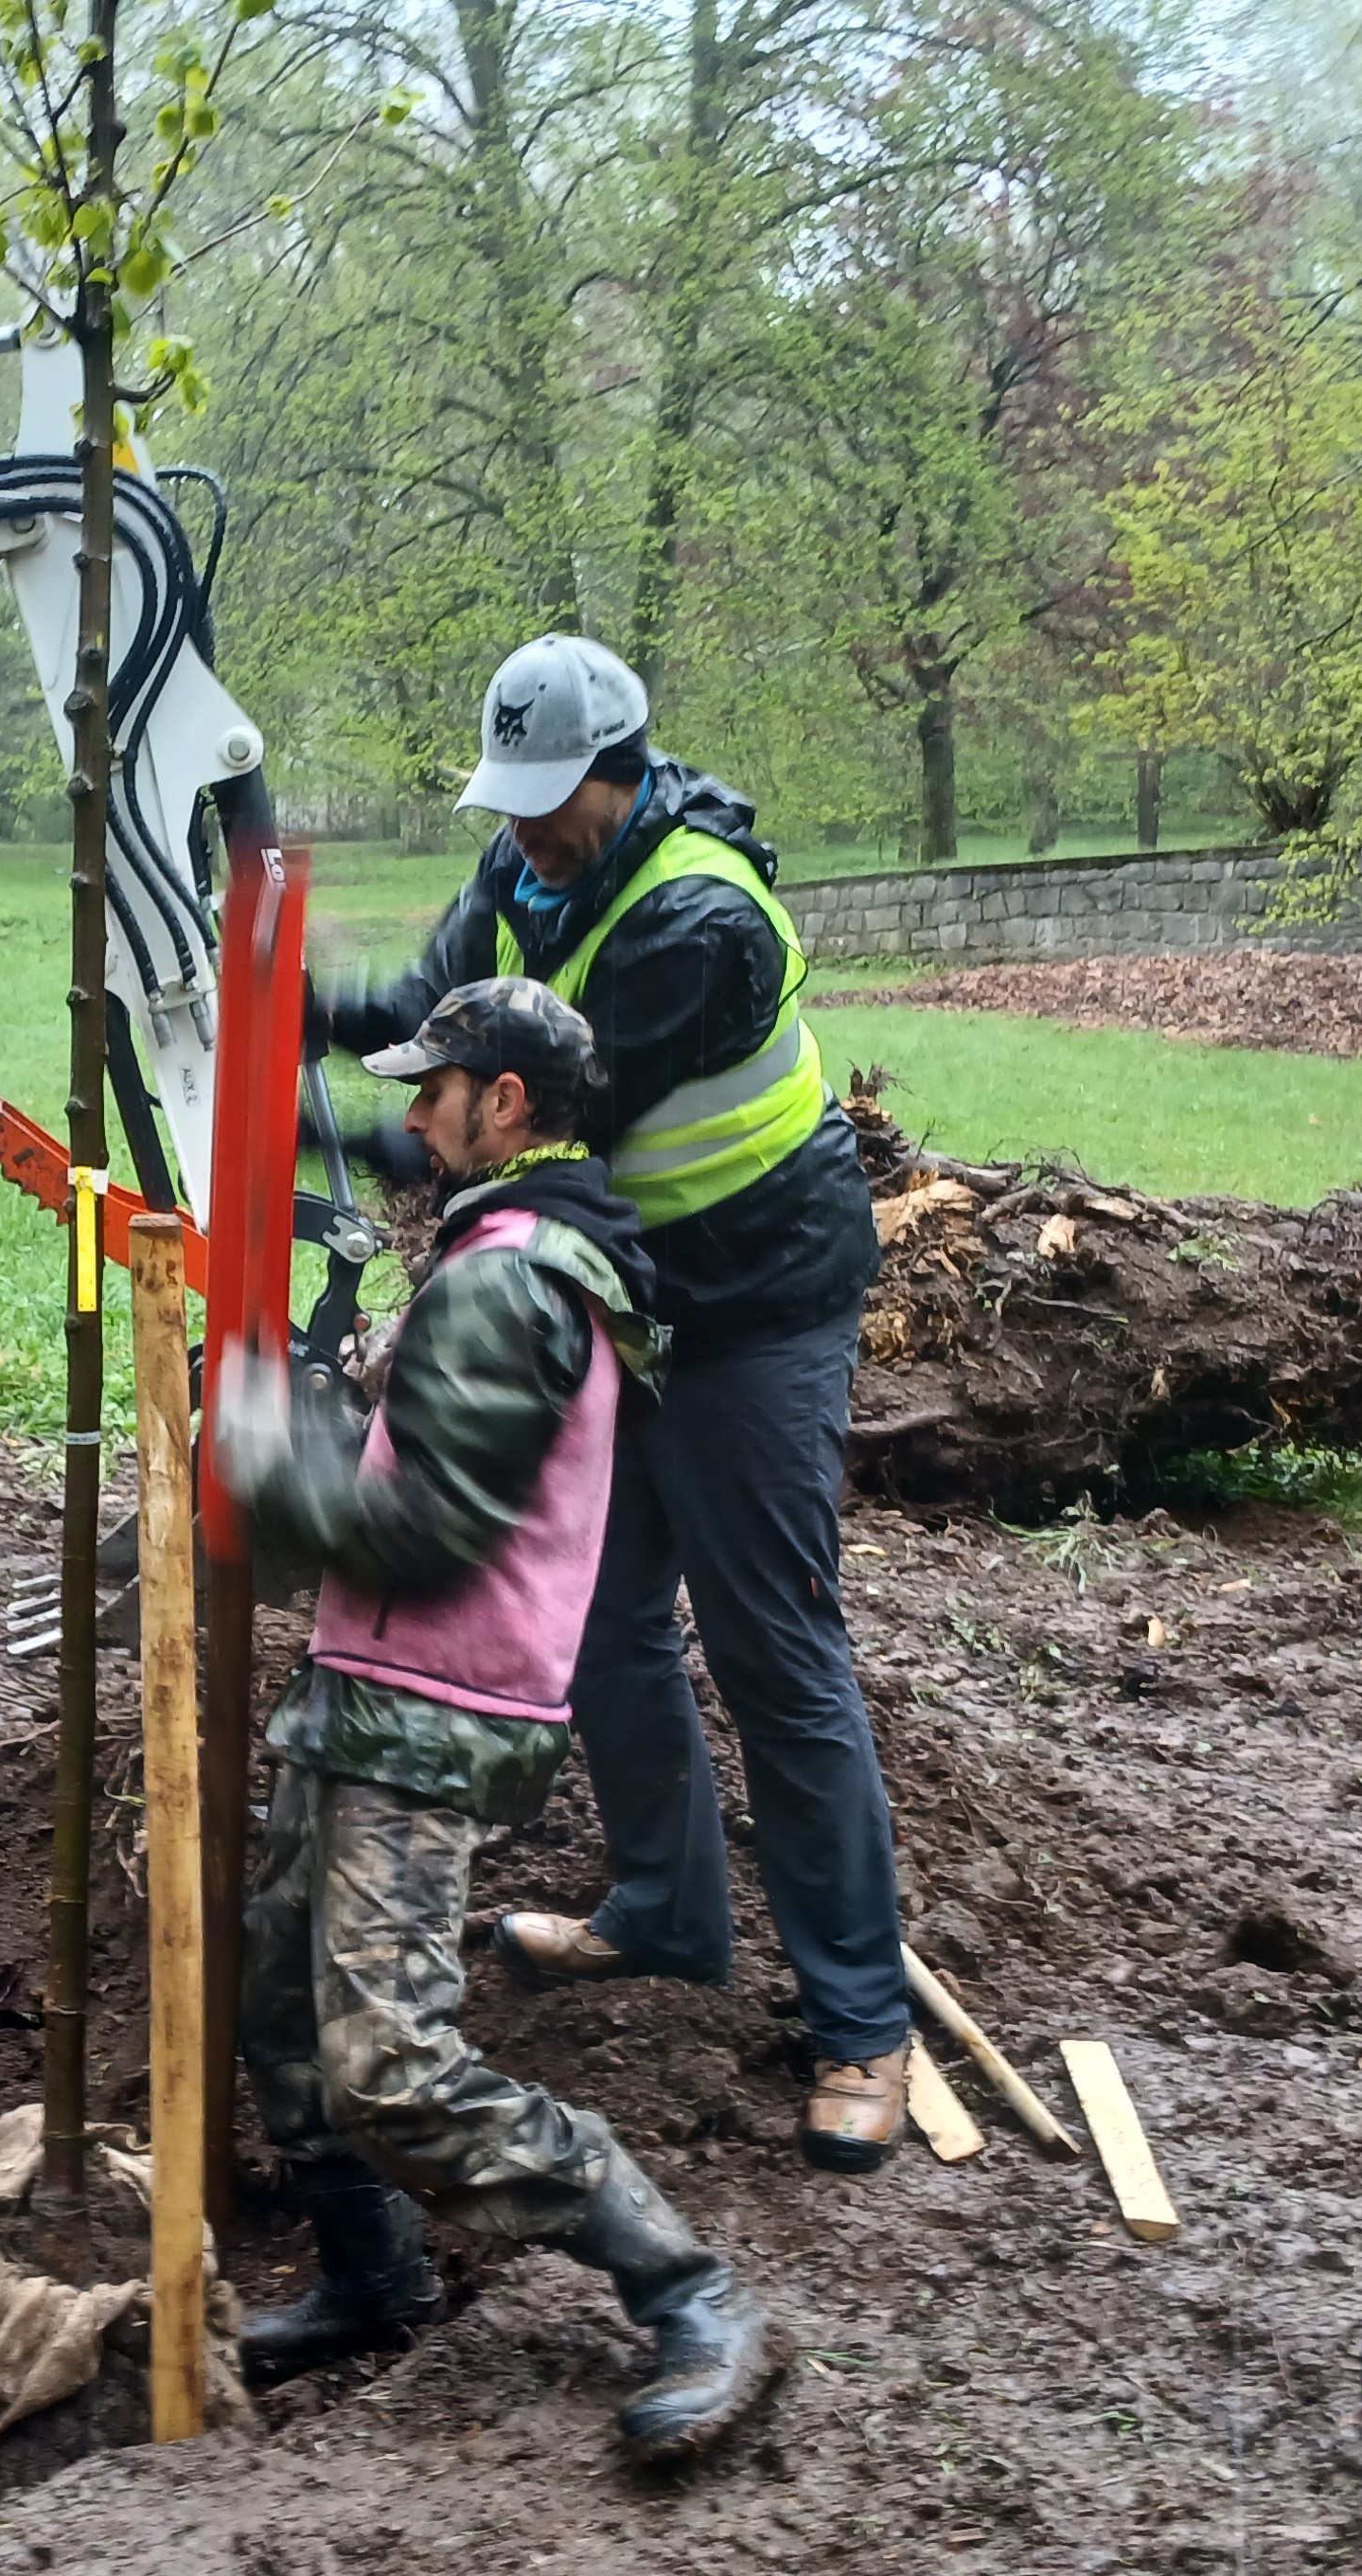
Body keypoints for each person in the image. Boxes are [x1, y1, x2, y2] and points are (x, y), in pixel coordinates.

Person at [316, 634, 914, 2175]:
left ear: (620, 770)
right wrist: (297, 1012)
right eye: (507, 801)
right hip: (628, 1293)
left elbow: (540, 1125)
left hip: (756, 1300)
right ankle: (664, 1910)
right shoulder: (528, 867)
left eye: (548, 799)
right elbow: (436, 1005)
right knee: (605, 1621)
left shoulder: (698, 919)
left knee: (773, 1644)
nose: (522, 828)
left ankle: (863, 2025)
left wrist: (342, 1144)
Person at [211, 977, 774, 2464]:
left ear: (507, 1103)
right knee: (281, 2011)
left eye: (433, 1091)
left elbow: (436, 1527)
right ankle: (373, 2279)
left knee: (389, 2066)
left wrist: (263, 1463)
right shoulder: (495, 1247)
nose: (411, 1118)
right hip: (368, 1684)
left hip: (433, 1712)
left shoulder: (514, 1278)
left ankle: (691, 2291)